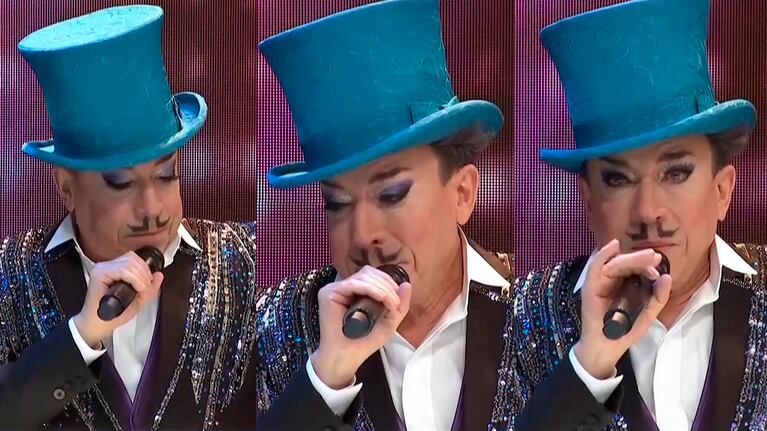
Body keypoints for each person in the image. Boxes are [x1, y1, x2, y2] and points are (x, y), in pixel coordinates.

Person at [255, 1, 515, 429]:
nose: (362, 235)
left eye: (391, 195)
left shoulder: (548, 318)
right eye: (337, 203)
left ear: (463, 193)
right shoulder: (271, 331)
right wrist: (326, 379)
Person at [0, 6, 259, 430]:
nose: (153, 209)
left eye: (166, 174)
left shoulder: (247, 260)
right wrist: (81, 338)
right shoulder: (10, 275)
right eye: (121, 183)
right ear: (66, 187)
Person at [508, 0, 763, 430]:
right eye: (618, 179)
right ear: (589, 201)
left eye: (675, 173)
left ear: (722, 191)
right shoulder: (519, 318)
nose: (648, 211)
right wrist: (588, 366)